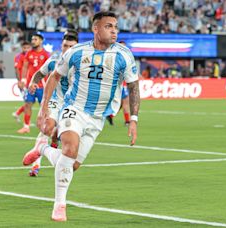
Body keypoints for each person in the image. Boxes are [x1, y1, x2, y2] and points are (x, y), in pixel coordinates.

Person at [22, 12, 140, 221]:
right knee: (69, 150)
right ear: (96, 29)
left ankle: (42, 148)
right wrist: (44, 108)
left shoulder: (123, 55)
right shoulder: (76, 52)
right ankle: (59, 205)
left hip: (98, 117)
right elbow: (54, 76)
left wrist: (133, 119)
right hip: (74, 108)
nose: (114, 30)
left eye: (115, 27)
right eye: (108, 26)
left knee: (72, 164)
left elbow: (133, 86)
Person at [25, 30, 79, 177]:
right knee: (46, 127)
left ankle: (54, 141)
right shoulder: (55, 61)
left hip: (73, 104)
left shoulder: (82, 64)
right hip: (56, 100)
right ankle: (36, 165)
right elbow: (39, 73)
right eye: (65, 46)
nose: (67, 49)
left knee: (65, 139)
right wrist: (33, 82)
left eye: (70, 46)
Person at [17, 32, 50, 134]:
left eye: (35, 39)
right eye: (32, 39)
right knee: (27, 104)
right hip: (30, 85)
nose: (33, 41)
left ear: (41, 41)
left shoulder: (45, 54)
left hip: (42, 85)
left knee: (44, 106)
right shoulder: (29, 53)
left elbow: (49, 70)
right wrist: (23, 80)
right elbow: (25, 67)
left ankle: (45, 125)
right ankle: (26, 126)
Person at [12, 41, 31, 123]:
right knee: (28, 102)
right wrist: (19, 81)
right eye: (24, 48)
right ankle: (26, 123)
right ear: (22, 48)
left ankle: (17, 113)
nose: (26, 49)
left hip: (30, 81)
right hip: (23, 82)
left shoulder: (31, 55)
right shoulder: (18, 57)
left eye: (28, 47)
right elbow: (16, 69)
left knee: (30, 101)